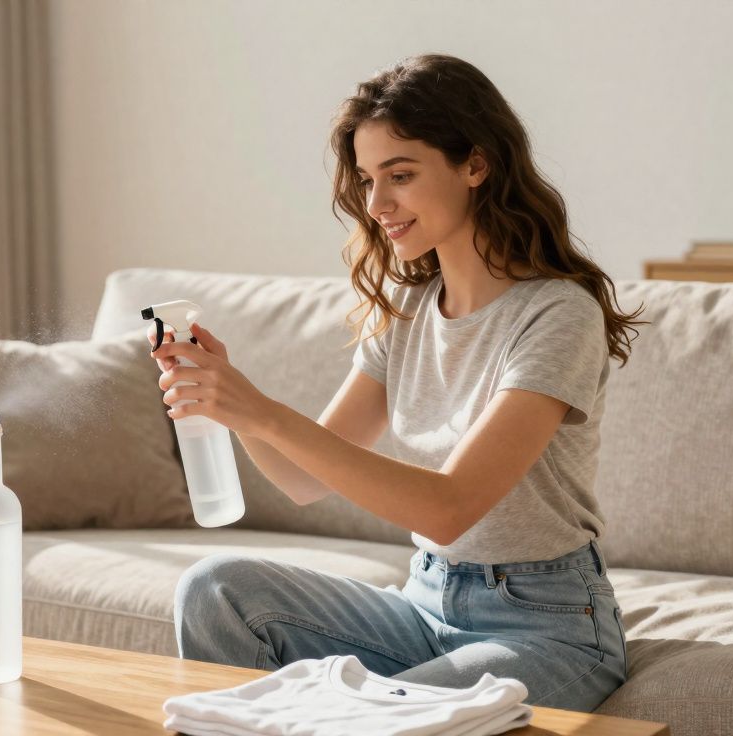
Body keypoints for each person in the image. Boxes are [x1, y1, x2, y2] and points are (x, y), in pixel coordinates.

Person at [148, 53, 644, 713]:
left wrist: (264, 413)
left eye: (401, 175)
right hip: (425, 601)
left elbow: (449, 506)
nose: (377, 204)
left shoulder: (558, 315)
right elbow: (303, 480)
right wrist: (229, 399)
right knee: (218, 590)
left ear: (475, 164)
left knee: (381, 715)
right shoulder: (409, 308)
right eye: (366, 179)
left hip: (546, 624)